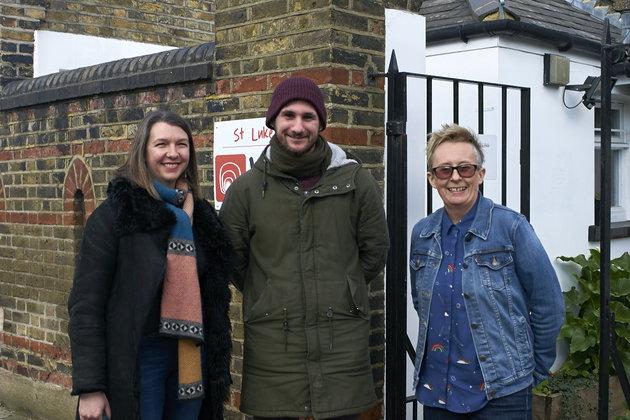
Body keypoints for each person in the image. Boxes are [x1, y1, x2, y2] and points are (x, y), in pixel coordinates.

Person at [219, 76, 390, 419]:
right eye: (289, 116)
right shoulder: (246, 190)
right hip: (274, 350)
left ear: (321, 124)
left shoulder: (355, 181)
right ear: (273, 122)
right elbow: (234, 261)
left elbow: (375, 251)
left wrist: (343, 286)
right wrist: (270, 293)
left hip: (340, 343)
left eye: (308, 117)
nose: (298, 126)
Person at [68, 110, 233, 420]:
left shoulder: (203, 218)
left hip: (190, 355)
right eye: (162, 144)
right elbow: (86, 304)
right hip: (139, 359)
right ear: (143, 151)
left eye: (181, 144)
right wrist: (90, 386)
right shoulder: (116, 216)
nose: (173, 153)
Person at [409, 123, 564, 419]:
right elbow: (422, 302)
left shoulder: (511, 228)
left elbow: (549, 305)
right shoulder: (423, 234)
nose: (455, 177)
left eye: (465, 168)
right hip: (437, 392)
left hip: (502, 393)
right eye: (444, 170)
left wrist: (535, 371)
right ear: (432, 179)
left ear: (480, 174)